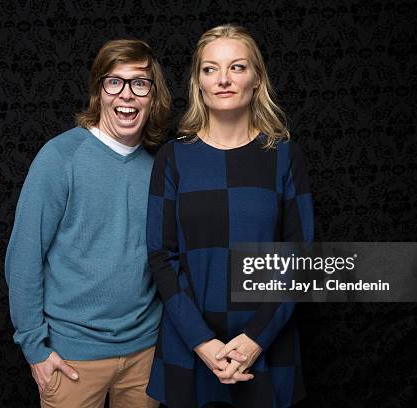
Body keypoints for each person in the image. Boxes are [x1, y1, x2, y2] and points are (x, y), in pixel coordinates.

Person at [146, 25, 314, 408]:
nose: (223, 79)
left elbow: (299, 257)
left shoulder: (284, 156)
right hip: (191, 344)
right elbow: (161, 257)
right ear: (198, 82)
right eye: (210, 69)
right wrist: (202, 341)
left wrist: (257, 338)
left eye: (237, 67)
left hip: (267, 343)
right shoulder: (173, 158)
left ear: (256, 79)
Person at [5, 39, 171, 408]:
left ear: (152, 95)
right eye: (114, 82)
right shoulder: (60, 158)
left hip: (145, 353)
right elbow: (24, 257)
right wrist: (34, 348)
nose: (126, 95)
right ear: (99, 91)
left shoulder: (159, 167)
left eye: (140, 83)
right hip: (72, 359)